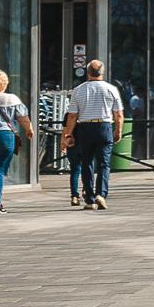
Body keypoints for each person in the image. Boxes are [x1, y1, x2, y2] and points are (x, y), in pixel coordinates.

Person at [62, 60, 123, 210]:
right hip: (104, 126)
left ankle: (89, 199)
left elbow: (72, 116)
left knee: (86, 163)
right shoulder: (111, 89)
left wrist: (68, 134)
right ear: (102, 73)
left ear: (88, 72)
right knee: (104, 163)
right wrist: (118, 130)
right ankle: (101, 194)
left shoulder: (78, 90)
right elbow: (119, 114)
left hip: (85, 127)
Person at [0, 69, 34, 214]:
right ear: (5, 84)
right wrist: (29, 129)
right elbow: (23, 118)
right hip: (5, 137)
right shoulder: (12, 99)